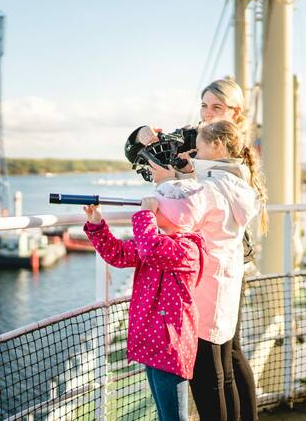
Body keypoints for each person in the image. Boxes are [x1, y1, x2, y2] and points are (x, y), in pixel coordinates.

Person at [134, 78, 261, 421]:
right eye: (204, 106)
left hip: (209, 265)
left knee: (217, 365)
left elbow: (194, 204)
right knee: (227, 358)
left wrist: (168, 186)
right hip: (225, 263)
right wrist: (143, 133)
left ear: (237, 113)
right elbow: (139, 153)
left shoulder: (216, 154)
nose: (206, 114)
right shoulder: (227, 159)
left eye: (216, 108)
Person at [83, 181, 207, 421]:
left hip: (171, 346)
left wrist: (145, 215)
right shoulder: (156, 242)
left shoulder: (188, 249)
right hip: (152, 341)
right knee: (164, 413)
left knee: (174, 417)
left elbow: (151, 250)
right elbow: (118, 254)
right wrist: (96, 224)